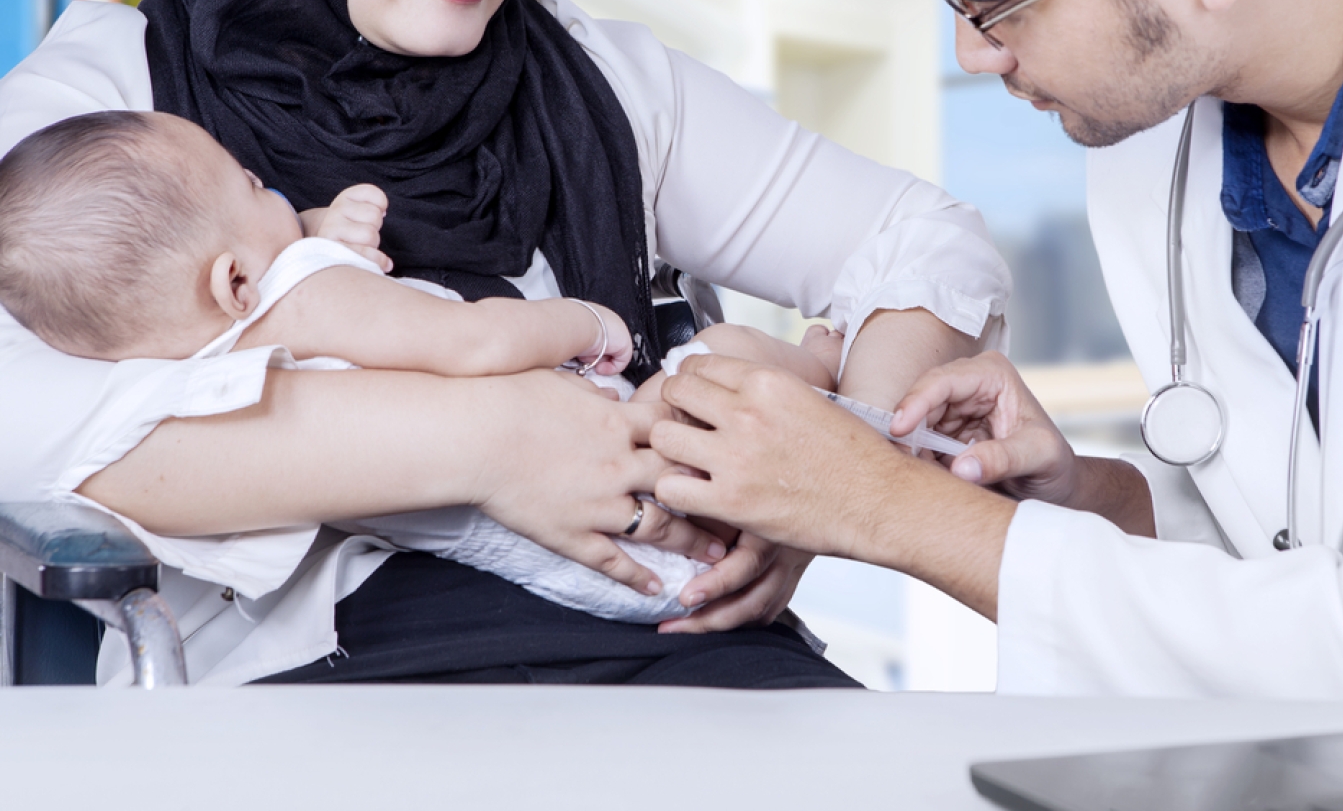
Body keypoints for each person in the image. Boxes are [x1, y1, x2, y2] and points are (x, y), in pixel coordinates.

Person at [0, 0, 1009, 687]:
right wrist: (489, 441)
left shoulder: (599, 82)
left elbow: (924, 241)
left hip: (685, 642)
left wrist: (834, 473)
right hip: (336, 674)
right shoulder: (115, 113)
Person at [651, 0, 1343, 701]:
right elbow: (1288, 567)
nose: (973, 54)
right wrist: (1095, 504)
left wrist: (880, 502)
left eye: (994, 9)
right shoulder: (1160, 131)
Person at [0, 109, 841, 625]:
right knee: (719, 363)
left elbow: (298, 311)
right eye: (252, 183)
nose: (277, 196)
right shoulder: (310, 294)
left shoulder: (203, 362)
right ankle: (820, 373)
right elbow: (470, 344)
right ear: (235, 281)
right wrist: (581, 321)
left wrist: (326, 227)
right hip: (621, 510)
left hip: (584, 574)